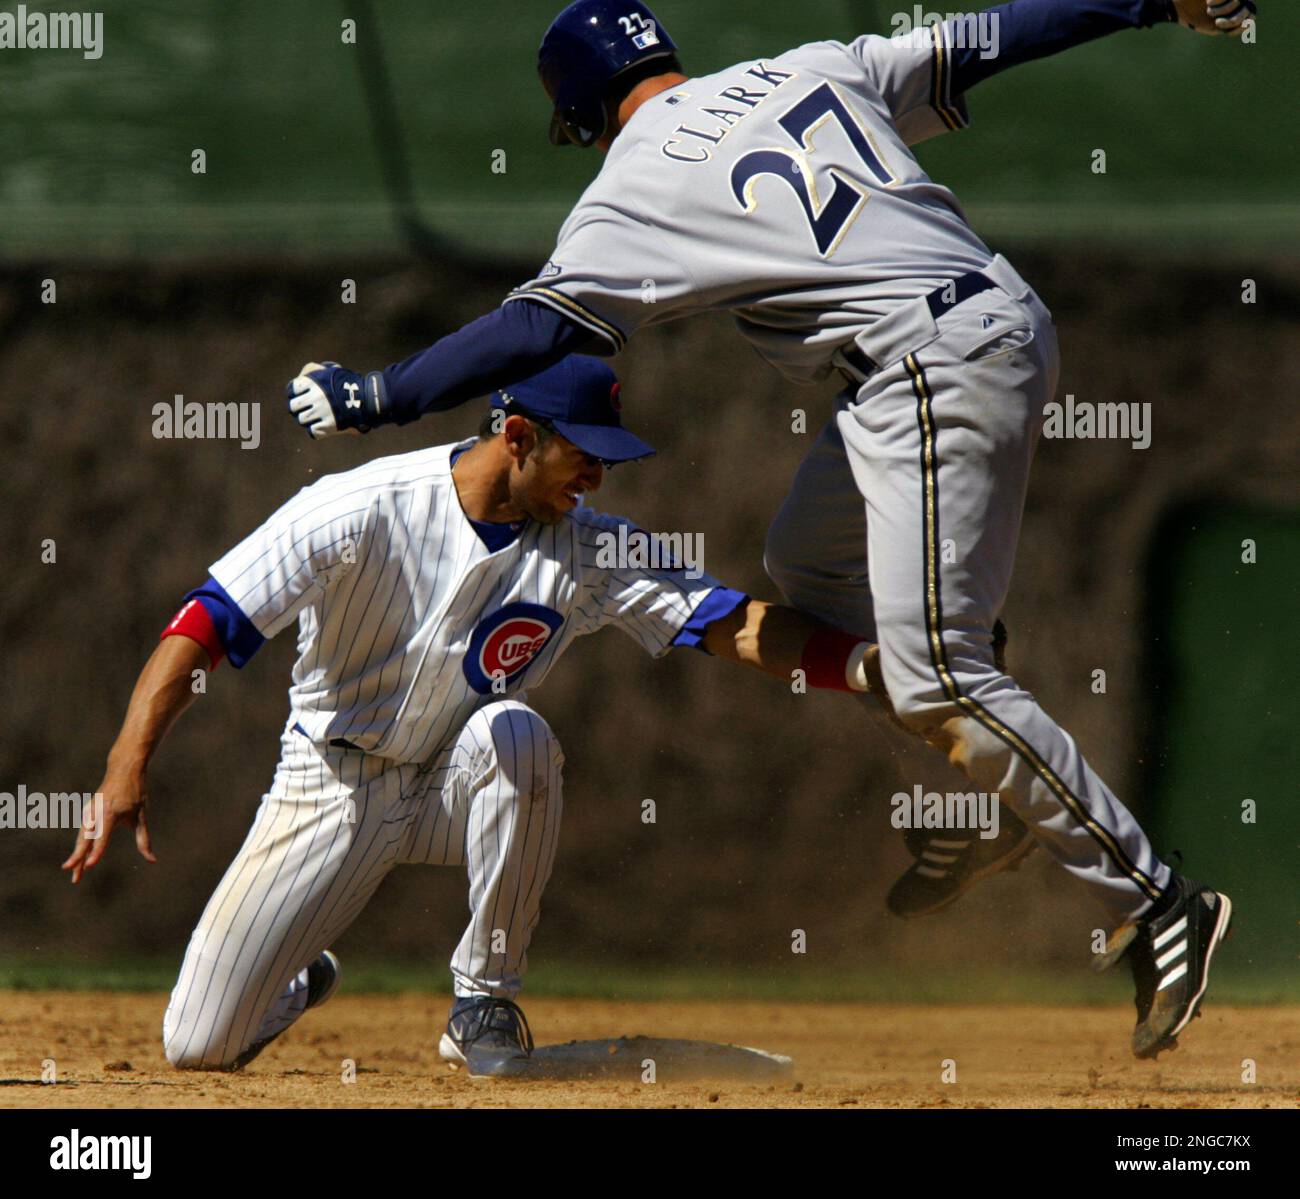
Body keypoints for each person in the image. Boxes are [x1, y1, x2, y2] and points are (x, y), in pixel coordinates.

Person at [283, 1, 1250, 1058]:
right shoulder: (812, 65)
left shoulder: (633, 186)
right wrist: (1153, 0)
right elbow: (994, 35)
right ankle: (1002, 769)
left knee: (939, 678)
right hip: (979, 327)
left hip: (925, 367)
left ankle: (1160, 899)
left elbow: (531, 327)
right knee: (809, 561)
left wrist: (379, 390)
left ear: (580, 113)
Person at [64, 356, 886, 1072]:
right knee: (196, 1043)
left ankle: (484, 1000)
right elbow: (205, 621)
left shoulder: (591, 546)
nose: (598, 476)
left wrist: (858, 665)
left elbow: (728, 621)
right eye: (585, 454)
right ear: (519, 436)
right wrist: (125, 763)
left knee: (514, 733)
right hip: (329, 784)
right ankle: (294, 971)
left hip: (453, 789)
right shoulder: (361, 505)